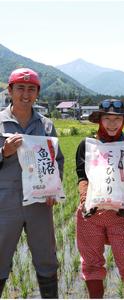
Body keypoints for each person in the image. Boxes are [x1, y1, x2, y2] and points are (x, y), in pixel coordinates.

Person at [0, 68, 64, 298]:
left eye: (31, 89)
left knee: (46, 258)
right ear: (10, 90)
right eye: (20, 88)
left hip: (39, 202)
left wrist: (53, 189)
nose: (25, 94)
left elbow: (57, 160)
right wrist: (3, 152)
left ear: (37, 93)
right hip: (5, 203)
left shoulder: (46, 125)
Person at [75, 99, 124, 298]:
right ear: (100, 120)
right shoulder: (88, 145)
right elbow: (82, 176)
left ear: (123, 120)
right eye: (107, 118)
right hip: (91, 213)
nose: (112, 123)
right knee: (91, 263)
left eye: (117, 119)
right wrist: (84, 201)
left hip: (120, 214)